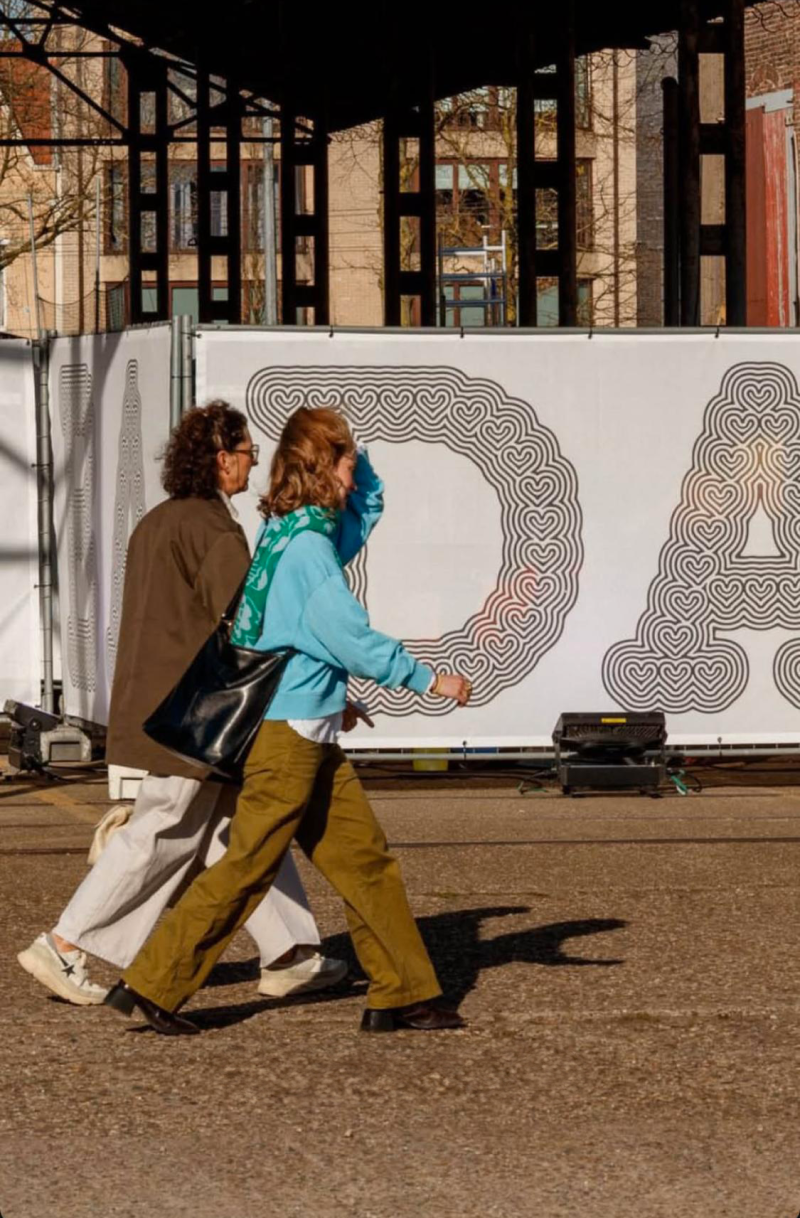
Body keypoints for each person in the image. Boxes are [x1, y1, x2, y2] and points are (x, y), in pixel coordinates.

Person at [104, 405, 473, 1036]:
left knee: (365, 861)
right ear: (324, 466)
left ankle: (402, 993)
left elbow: (364, 512)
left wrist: (356, 458)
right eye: (348, 459)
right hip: (289, 741)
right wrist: (430, 679)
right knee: (248, 867)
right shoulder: (306, 550)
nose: (355, 470)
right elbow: (349, 638)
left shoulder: (292, 529)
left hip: (307, 732)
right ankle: (153, 983)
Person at [18, 401, 344, 1006]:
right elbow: (254, 622)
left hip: (161, 708)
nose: (252, 464)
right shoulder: (214, 529)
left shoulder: (161, 520)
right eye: (246, 453)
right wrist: (313, 678)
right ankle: (64, 944)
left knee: (237, 830)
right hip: (197, 718)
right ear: (222, 459)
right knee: (162, 832)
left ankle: (291, 953)